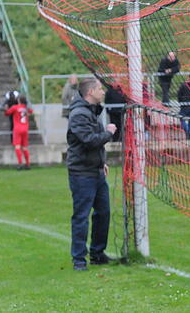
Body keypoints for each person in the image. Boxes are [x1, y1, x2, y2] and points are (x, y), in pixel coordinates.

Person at [66, 78, 117, 271]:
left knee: (103, 213)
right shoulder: (79, 114)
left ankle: (97, 254)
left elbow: (94, 144)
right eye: (100, 89)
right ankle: (79, 259)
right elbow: (89, 140)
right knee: (81, 216)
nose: (103, 92)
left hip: (96, 171)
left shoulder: (91, 111)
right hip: (82, 173)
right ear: (90, 92)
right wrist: (109, 133)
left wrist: (102, 162)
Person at [4, 94, 33, 170]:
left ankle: (20, 164)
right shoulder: (26, 108)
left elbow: (7, 113)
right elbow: (31, 111)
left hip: (17, 128)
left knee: (17, 146)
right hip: (25, 128)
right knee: (25, 147)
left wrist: (6, 108)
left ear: (18, 100)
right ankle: (27, 164)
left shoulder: (15, 107)